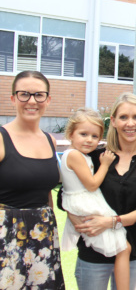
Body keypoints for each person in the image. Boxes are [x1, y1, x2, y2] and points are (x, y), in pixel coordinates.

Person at [61, 92, 136, 290]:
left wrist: (110, 222)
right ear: (113, 121)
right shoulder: (97, 156)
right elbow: (68, 190)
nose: (130, 123)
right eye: (123, 117)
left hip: (129, 249)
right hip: (93, 252)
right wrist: (76, 219)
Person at [0, 71, 65, 289]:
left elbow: (46, 193)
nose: (31, 101)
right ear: (12, 99)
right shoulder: (1, 138)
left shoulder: (50, 141)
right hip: (5, 237)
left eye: (38, 95)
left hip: (43, 234)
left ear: (47, 100)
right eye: (24, 94)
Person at [60, 108, 131, 290]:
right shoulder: (74, 155)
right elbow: (91, 185)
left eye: (94, 136)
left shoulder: (79, 154)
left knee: (123, 247)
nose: (89, 140)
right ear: (70, 134)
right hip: (86, 204)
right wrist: (105, 164)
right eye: (83, 134)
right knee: (124, 248)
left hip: (85, 201)